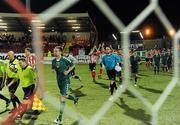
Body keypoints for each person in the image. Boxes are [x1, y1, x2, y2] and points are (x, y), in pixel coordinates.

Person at [52, 46, 79, 124]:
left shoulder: (65, 59)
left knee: (62, 98)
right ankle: (75, 99)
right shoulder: (53, 61)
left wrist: (68, 71)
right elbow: (54, 68)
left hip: (66, 81)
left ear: (60, 52)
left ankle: (59, 118)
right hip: (59, 82)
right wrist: (54, 71)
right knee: (65, 96)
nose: (55, 52)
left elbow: (73, 65)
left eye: (56, 51)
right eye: (54, 51)